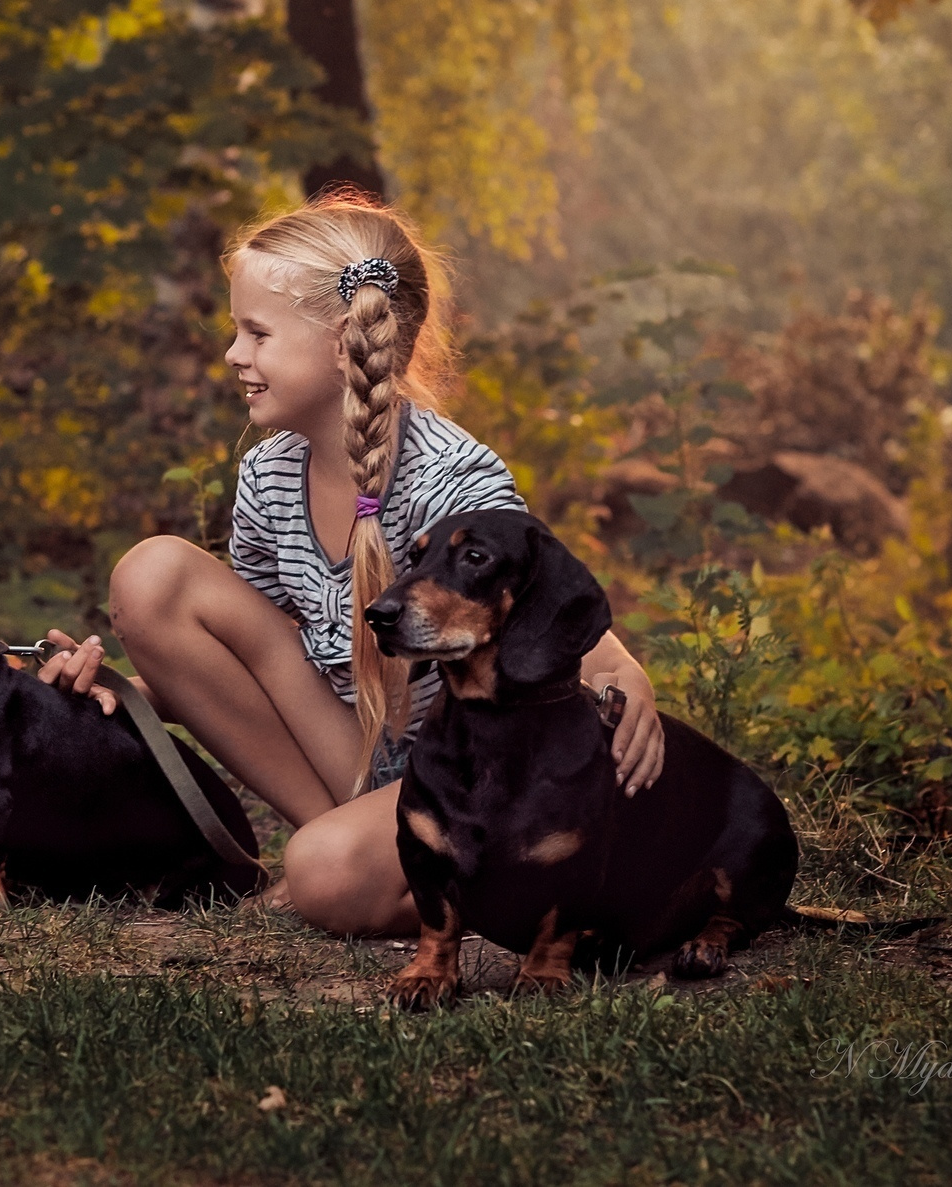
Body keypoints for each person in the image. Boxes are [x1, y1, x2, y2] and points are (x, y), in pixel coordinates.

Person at [38, 193, 664, 934]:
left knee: (324, 874)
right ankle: (350, 840)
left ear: (341, 344)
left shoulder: (452, 481)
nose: (234, 354)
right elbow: (263, 666)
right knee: (154, 574)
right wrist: (130, 691)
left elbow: (555, 610)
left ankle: (422, 869)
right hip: (359, 758)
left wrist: (626, 672)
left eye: (257, 333)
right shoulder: (271, 475)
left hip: (472, 774)